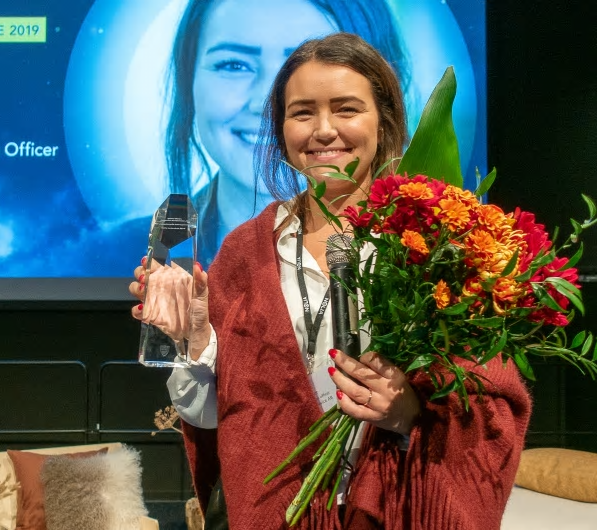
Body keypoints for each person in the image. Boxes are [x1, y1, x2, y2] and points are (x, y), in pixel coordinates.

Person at [131, 33, 531, 529]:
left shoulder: (439, 243)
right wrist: (194, 338)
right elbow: (211, 417)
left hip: (397, 509)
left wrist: (407, 412)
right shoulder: (244, 253)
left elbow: (491, 403)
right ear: (280, 131)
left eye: (346, 109)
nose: (323, 131)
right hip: (274, 514)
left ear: (383, 122)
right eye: (302, 113)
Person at [163, 0, 412, 269]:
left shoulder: (429, 241)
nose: (266, 103)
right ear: (187, 82)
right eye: (234, 65)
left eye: (346, 108)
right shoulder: (136, 247)